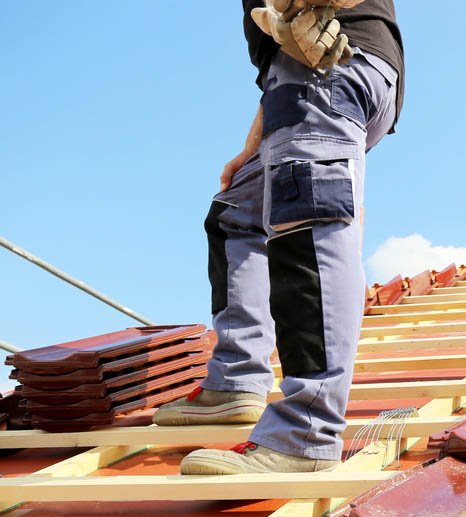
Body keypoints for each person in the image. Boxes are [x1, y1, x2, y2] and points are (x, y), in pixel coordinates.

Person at [155, 0, 405, 475]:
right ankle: (235, 380)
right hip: (300, 76)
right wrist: (256, 139)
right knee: (235, 214)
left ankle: (305, 432)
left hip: (333, 63)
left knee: (307, 222)